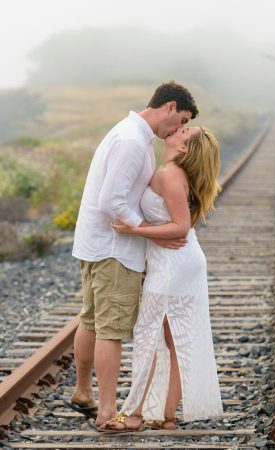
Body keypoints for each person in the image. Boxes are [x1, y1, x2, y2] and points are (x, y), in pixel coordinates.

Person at [68, 81, 198, 427]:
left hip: (96, 243)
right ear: (169, 107)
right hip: (114, 248)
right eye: (180, 120)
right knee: (111, 329)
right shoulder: (132, 141)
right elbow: (111, 201)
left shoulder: (130, 133)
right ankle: (108, 412)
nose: (178, 129)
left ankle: (84, 391)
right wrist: (150, 232)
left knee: (91, 320)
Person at [98, 125, 224, 431]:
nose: (180, 129)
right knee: (172, 338)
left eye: (185, 131)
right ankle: (166, 416)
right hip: (177, 261)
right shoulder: (170, 171)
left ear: (183, 148)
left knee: (149, 335)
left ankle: (135, 415)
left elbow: (180, 227)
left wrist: (135, 230)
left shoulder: (169, 174)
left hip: (175, 264)